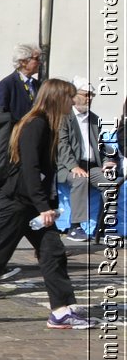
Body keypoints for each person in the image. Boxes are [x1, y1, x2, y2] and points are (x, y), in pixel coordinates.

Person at [0, 78, 94, 330]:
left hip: (31, 203)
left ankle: (60, 310)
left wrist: (48, 203)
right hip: (18, 203)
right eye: (69, 96)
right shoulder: (35, 125)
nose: (73, 101)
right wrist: (43, 206)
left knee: (53, 252)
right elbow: (30, 169)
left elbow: (44, 171)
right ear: (57, 99)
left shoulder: (49, 125)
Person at [59, 78, 108, 241]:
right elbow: (62, 144)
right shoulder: (64, 117)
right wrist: (73, 166)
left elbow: (102, 145)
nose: (90, 98)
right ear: (74, 96)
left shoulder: (95, 119)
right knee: (80, 180)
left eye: (92, 95)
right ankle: (75, 226)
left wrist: (108, 161)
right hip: (67, 166)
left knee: (110, 183)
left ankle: (103, 226)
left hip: (91, 165)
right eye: (86, 95)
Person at [0, 43, 43, 116]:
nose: (40, 62)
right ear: (23, 62)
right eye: (36, 59)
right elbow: (0, 114)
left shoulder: (37, 84)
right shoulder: (7, 84)